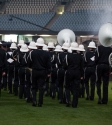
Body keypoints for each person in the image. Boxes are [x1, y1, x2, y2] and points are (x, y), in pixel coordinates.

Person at [28, 38, 51, 107]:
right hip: (43, 71)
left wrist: (32, 67)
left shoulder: (32, 53)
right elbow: (49, 65)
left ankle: (34, 100)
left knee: (34, 87)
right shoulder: (46, 54)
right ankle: (40, 102)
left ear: (37, 45)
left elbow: (29, 62)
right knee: (41, 87)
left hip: (34, 71)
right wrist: (48, 72)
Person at [64, 42, 83, 108]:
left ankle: (68, 100)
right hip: (77, 72)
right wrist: (81, 75)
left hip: (69, 72)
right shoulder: (80, 56)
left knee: (67, 87)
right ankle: (75, 104)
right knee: (76, 88)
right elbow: (82, 67)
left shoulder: (67, 56)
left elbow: (65, 65)